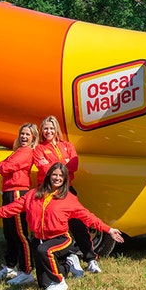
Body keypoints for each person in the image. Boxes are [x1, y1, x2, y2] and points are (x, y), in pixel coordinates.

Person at [0, 163, 125, 290]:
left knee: (44, 251)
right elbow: (11, 208)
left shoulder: (69, 199)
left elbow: (88, 217)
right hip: (39, 238)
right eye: (54, 174)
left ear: (65, 179)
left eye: (61, 176)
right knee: (43, 285)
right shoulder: (33, 195)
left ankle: (60, 282)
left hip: (61, 238)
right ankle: (67, 264)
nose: (57, 178)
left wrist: (108, 230)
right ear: (48, 176)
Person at [33, 115, 98, 275]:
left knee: (79, 225)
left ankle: (91, 259)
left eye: (51, 128)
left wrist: (57, 167)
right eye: (45, 128)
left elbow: (74, 165)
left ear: (57, 130)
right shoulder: (39, 149)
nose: (48, 131)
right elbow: (45, 170)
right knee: (50, 230)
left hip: (67, 190)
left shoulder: (67, 145)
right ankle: (64, 260)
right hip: (48, 193)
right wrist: (63, 166)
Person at [0, 123, 39, 286]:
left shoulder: (27, 152)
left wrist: (2, 166)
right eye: (22, 134)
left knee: (20, 233)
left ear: (33, 138)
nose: (24, 137)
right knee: (9, 232)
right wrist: (2, 166)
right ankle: (10, 266)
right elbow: (3, 167)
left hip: (18, 193)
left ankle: (26, 271)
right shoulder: (17, 151)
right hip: (9, 192)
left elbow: (5, 167)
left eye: (27, 134)